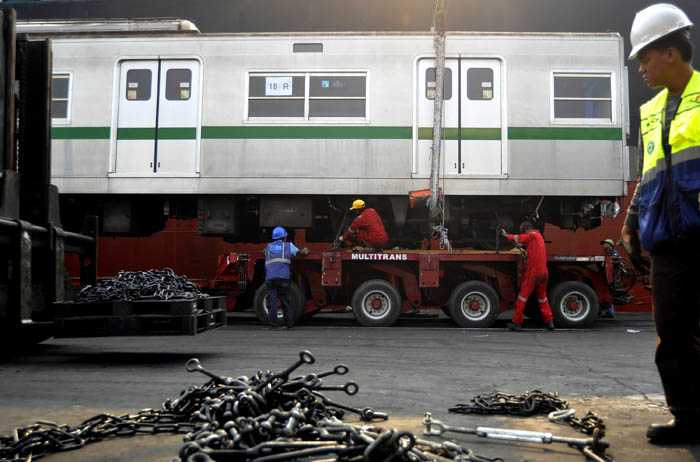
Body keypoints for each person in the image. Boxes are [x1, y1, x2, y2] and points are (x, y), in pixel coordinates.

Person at [622, 3, 700, 444]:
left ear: (671, 52)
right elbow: (649, 171)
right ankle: (688, 419)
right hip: (667, 241)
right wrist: (631, 223)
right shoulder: (651, 110)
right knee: (672, 335)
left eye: (645, 58)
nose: (641, 68)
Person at [501, 222, 554, 331]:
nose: (524, 233)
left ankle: (516, 323)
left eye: (524, 231)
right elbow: (531, 247)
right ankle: (549, 321)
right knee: (542, 298)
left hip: (534, 272)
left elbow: (517, 238)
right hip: (544, 272)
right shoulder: (539, 236)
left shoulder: (531, 235)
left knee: (522, 297)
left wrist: (505, 234)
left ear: (528, 229)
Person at [263, 226, 308, 330]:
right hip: (283, 278)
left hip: (270, 278)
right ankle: (289, 324)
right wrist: (305, 250)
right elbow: (301, 252)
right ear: (284, 237)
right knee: (286, 301)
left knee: (272, 302)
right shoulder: (288, 246)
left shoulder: (268, 247)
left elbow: (264, 252)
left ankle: (273, 325)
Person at [599, 239, 618, 318]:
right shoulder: (607, 255)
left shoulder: (614, 254)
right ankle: (609, 311)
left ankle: (610, 312)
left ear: (610, 245)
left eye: (605, 244)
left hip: (611, 278)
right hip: (608, 277)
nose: (603, 246)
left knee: (608, 293)